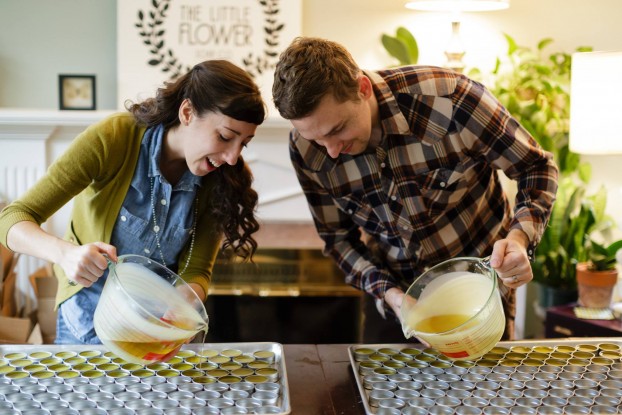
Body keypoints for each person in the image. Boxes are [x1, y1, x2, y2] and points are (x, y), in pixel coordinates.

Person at [272, 37, 558, 343]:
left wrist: (518, 237)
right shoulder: (305, 150)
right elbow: (338, 240)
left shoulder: (453, 100)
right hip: (395, 301)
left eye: (337, 130)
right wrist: (394, 298)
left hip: (479, 295)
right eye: (316, 140)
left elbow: (535, 167)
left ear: (363, 88)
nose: (330, 151)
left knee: (486, 390)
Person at [0, 60, 266, 344]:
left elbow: (196, 270)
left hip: (153, 333)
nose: (232, 157)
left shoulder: (218, 178)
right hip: (85, 326)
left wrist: (184, 306)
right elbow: (12, 219)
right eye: (225, 137)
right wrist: (65, 254)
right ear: (187, 112)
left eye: (243, 143)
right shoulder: (113, 139)